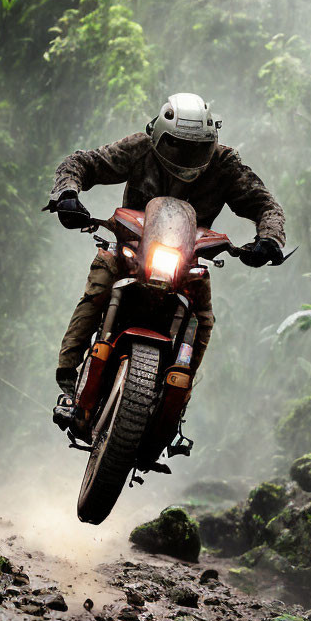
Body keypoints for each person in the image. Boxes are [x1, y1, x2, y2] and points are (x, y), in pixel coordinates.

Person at [45, 92, 286, 417]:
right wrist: (67, 193)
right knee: (101, 282)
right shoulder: (139, 148)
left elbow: (265, 204)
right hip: (129, 250)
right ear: (159, 135)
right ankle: (68, 384)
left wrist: (269, 238)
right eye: (177, 144)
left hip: (186, 264)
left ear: (212, 139)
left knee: (202, 318)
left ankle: (175, 403)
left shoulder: (225, 164)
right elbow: (84, 163)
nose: (187, 154)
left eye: (197, 146)